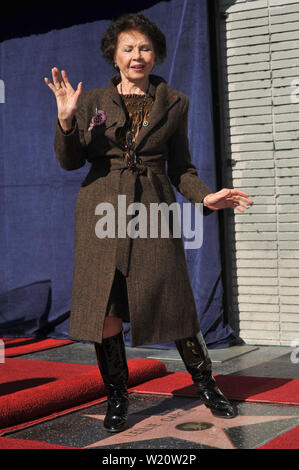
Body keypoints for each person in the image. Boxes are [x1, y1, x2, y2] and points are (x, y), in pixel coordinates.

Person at [45, 13, 253, 434]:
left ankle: (206, 384)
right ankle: (118, 396)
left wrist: (204, 197)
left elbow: (182, 169)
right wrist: (66, 120)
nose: (136, 55)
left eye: (144, 48)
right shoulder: (90, 103)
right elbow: (70, 162)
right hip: (100, 211)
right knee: (105, 307)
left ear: (155, 54)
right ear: (114, 56)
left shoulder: (175, 103)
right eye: (128, 48)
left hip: (153, 209)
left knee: (172, 298)